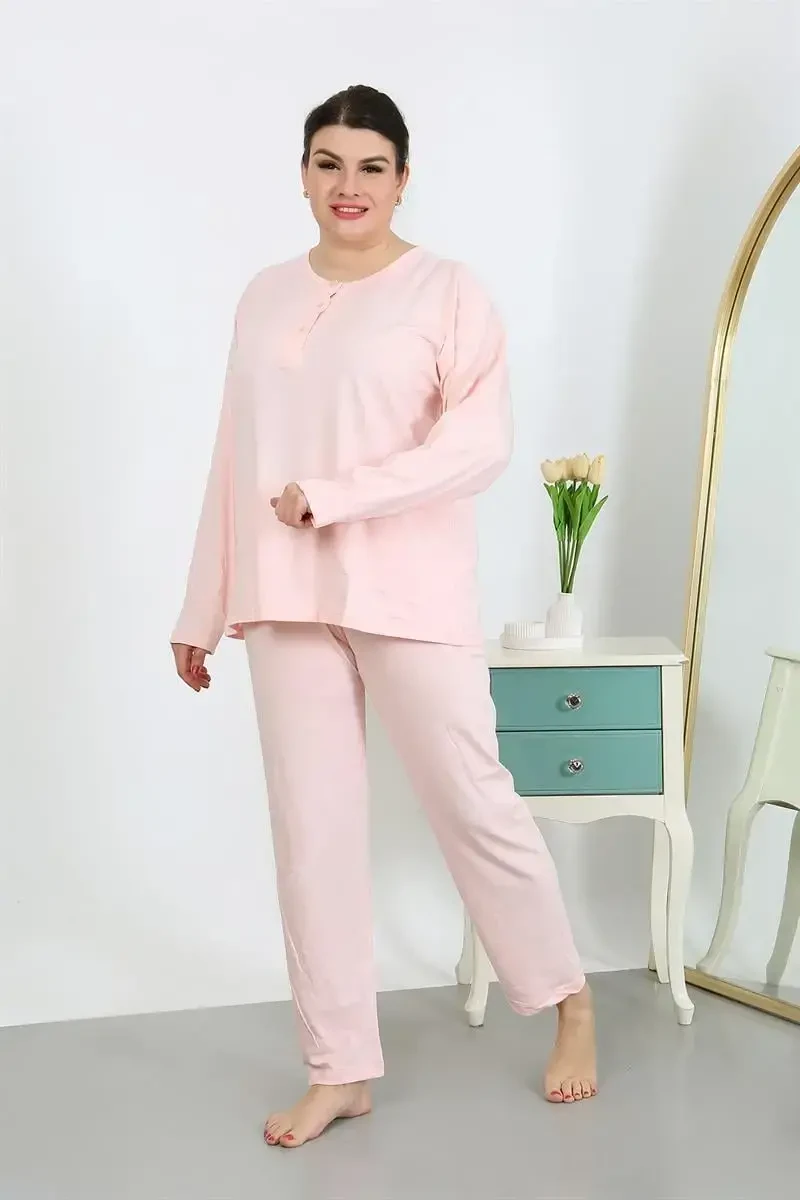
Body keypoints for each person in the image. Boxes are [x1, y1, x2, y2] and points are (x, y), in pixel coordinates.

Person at [170, 84, 597, 1149]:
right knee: (310, 835)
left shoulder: (447, 291)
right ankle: (340, 1069)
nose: (347, 185)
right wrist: (202, 601)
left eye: (370, 166)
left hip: (407, 587)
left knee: (471, 799)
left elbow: (477, 447)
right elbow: (234, 453)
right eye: (328, 163)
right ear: (302, 174)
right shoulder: (264, 295)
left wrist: (336, 496)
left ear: (403, 180)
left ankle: (568, 1002)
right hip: (283, 592)